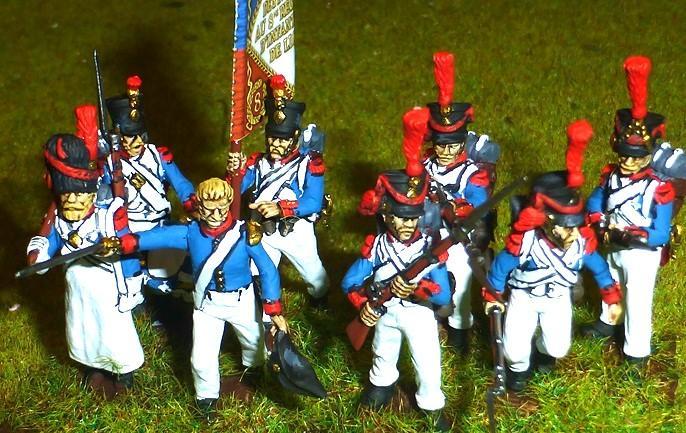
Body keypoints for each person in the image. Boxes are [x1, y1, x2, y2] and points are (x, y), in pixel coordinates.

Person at [117, 177, 287, 416]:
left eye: (222, 208)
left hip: (242, 302)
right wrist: (126, 242)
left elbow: (267, 269)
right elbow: (159, 236)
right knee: (201, 356)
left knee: (253, 341)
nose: (216, 214)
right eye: (209, 208)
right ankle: (206, 398)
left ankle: (254, 372)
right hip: (207, 305)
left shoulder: (245, 234)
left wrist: (272, 307)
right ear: (199, 206)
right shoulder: (191, 233)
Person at [482, 120, 623, 391]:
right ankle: (519, 372)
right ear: (546, 222)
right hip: (524, 297)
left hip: (557, 298)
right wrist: (493, 295)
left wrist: (611, 296)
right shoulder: (525, 242)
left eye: (574, 226)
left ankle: (542, 353)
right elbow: (501, 267)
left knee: (558, 347)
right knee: (513, 351)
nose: (570, 233)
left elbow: (599, 268)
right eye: (564, 226)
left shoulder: (580, 243)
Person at [342, 108, 452, 432]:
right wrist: (363, 304)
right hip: (384, 312)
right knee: (382, 351)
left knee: (427, 363)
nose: (406, 224)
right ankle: (381, 384)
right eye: (399, 218)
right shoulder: (376, 246)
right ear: (386, 215)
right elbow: (350, 281)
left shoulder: (431, 250)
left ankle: (431, 404)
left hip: (419, 315)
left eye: (412, 218)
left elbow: (444, 295)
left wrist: (419, 290)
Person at [26, 105, 145, 394]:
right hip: (77, 286)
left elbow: (127, 248)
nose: (73, 203)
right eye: (67, 197)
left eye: (79, 197)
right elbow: (49, 241)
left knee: (114, 330)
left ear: (91, 196)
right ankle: (91, 365)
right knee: (83, 329)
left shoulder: (107, 216)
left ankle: (123, 371)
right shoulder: (59, 217)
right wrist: (38, 254)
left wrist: (131, 283)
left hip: (107, 284)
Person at [582, 56, 674, 365]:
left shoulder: (659, 188)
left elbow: (660, 233)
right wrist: (598, 219)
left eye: (636, 156)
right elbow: (596, 200)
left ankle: (636, 352)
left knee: (638, 301)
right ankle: (608, 321)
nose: (629, 161)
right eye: (625, 154)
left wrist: (629, 234)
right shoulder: (611, 175)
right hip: (612, 242)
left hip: (640, 252)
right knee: (611, 284)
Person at [226, 74, 328, 308]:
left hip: (294, 230)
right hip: (262, 228)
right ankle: (266, 307)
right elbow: (235, 189)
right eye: (272, 138)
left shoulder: (308, 164)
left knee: (313, 274)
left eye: (282, 140)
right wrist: (235, 171)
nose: (275, 144)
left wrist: (281, 208)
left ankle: (320, 299)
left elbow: (313, 201)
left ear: (294, 138)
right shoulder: (256, 161)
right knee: (260, 271)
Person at [421, 52, 499, 353]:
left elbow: (478, 204)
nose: (445, 151)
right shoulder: (424, 166)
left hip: (457, 237)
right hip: (423, 233)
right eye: (440, 144)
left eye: (452, 145)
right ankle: (429, 320)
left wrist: (454, 209)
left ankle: (459, 330)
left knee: (461, 281)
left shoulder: (472, 173)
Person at [103, 75, 196, 300]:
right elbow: (104, 199)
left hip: (159, 222)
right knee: (125, 264)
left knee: (171, 261)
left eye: (137, 137)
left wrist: (192, 204)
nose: (134, 143)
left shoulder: (158, 155)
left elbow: (181, 183)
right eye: (127, 138)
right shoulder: (109, 164)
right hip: (129, 225)